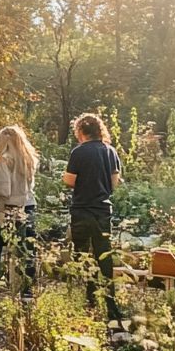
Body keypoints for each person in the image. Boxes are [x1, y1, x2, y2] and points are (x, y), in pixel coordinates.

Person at [63, 113, 123, 323]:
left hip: (81, 209)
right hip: (102, 210)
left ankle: (89, 298)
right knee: (103, 255)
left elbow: (70, 180)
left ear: (81, 132)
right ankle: (110, 302)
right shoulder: (110, 151)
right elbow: (114, 183)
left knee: (82, 253)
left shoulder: (78, 152)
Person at [0, 125, 39, 298]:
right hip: (28, 205)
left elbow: (4, 193)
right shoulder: (29, 160)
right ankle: (27, 289)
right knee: (27, 248)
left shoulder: (2, 161)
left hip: (8, 209)